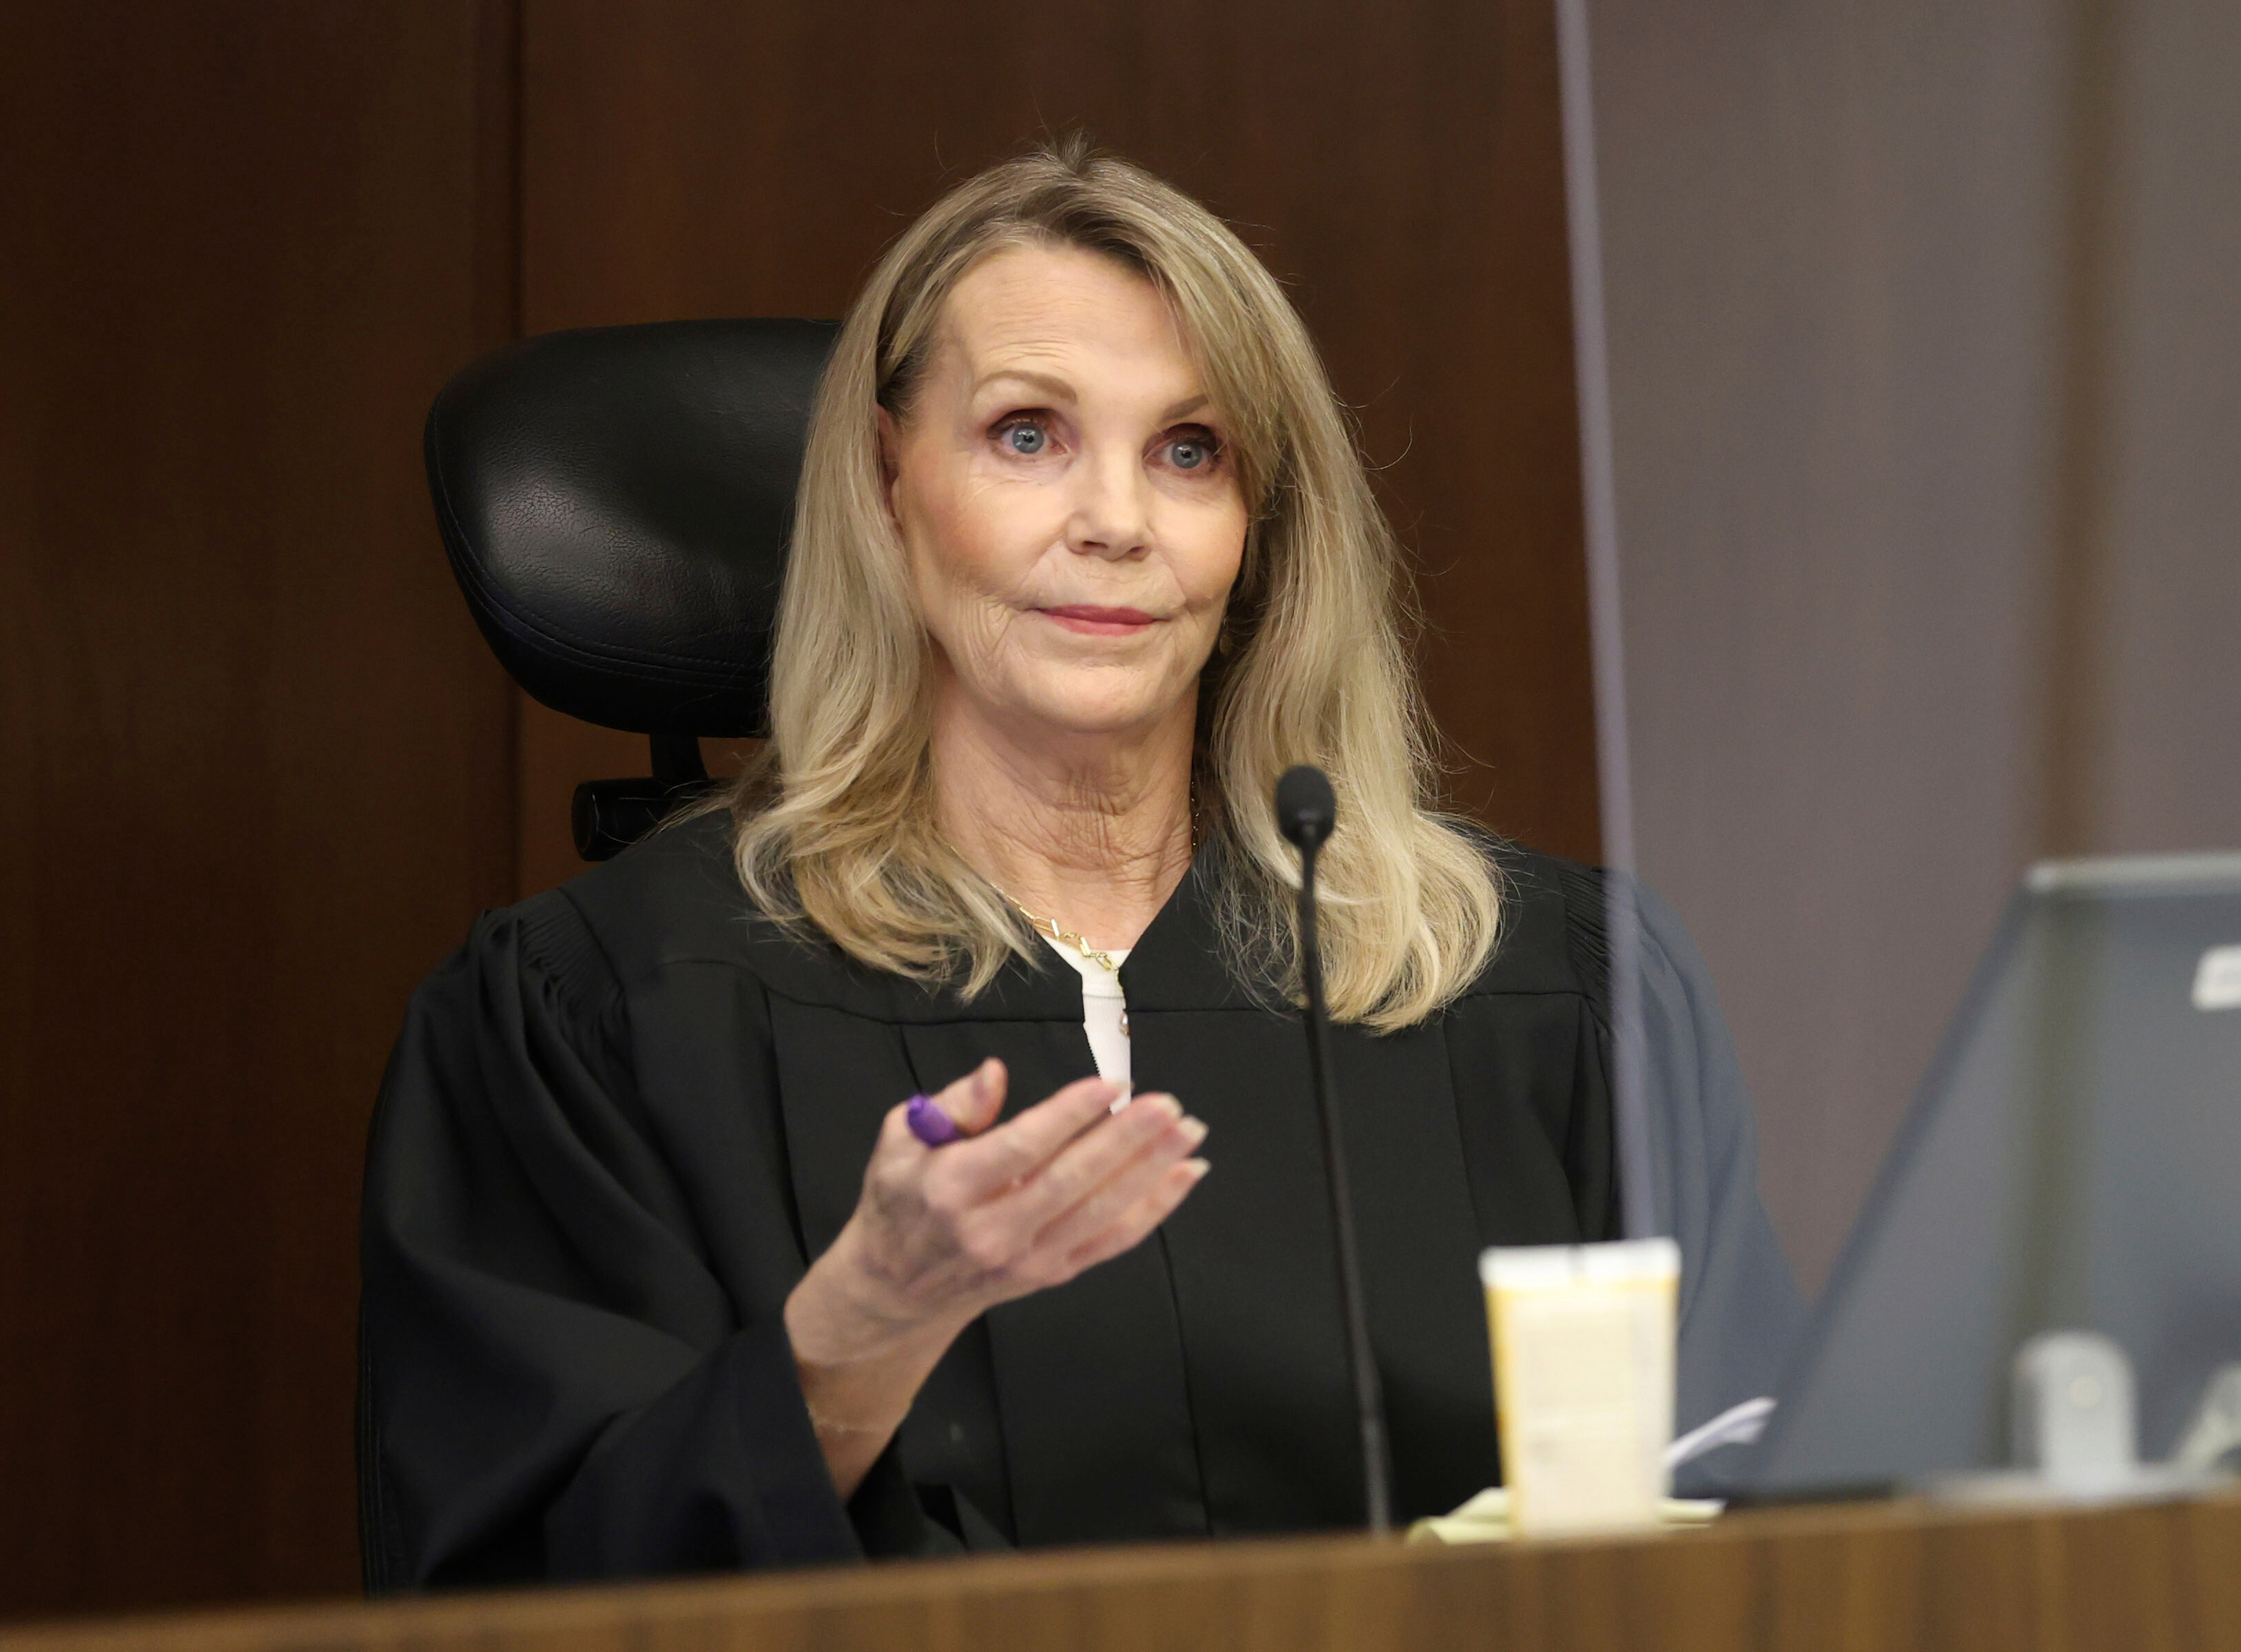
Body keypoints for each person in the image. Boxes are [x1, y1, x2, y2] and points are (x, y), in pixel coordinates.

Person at [357, 139, 1801, 1591]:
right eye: (1028, 434)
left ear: (1260, 528)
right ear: (886, 478)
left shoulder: (1547, 988)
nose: (1117, 520)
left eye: (1192, 449)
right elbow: (512, 1597)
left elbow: (1787, 1526)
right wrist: (852, 1338)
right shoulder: (608, 1018)